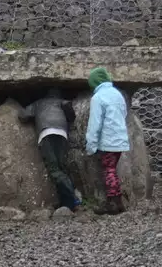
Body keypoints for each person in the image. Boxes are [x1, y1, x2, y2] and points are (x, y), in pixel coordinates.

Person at [18, 89, 83, 211]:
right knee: (61, 167)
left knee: (54, 170)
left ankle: (73, 198)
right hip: (62, 134)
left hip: (46, 133)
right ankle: (68, 202)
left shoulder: (39, 103)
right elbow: (71, 116)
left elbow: (23, 115)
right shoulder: (62, 102)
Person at [85, 66, 131, 215]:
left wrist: (90, 145)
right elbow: (124, 113)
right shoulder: (118, 94)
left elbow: (95, 123)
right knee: (112, 169)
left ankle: (114, 203)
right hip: (120, 138)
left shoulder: (98, 98)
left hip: (108, 141)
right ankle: (117, 202)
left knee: (109, 170)